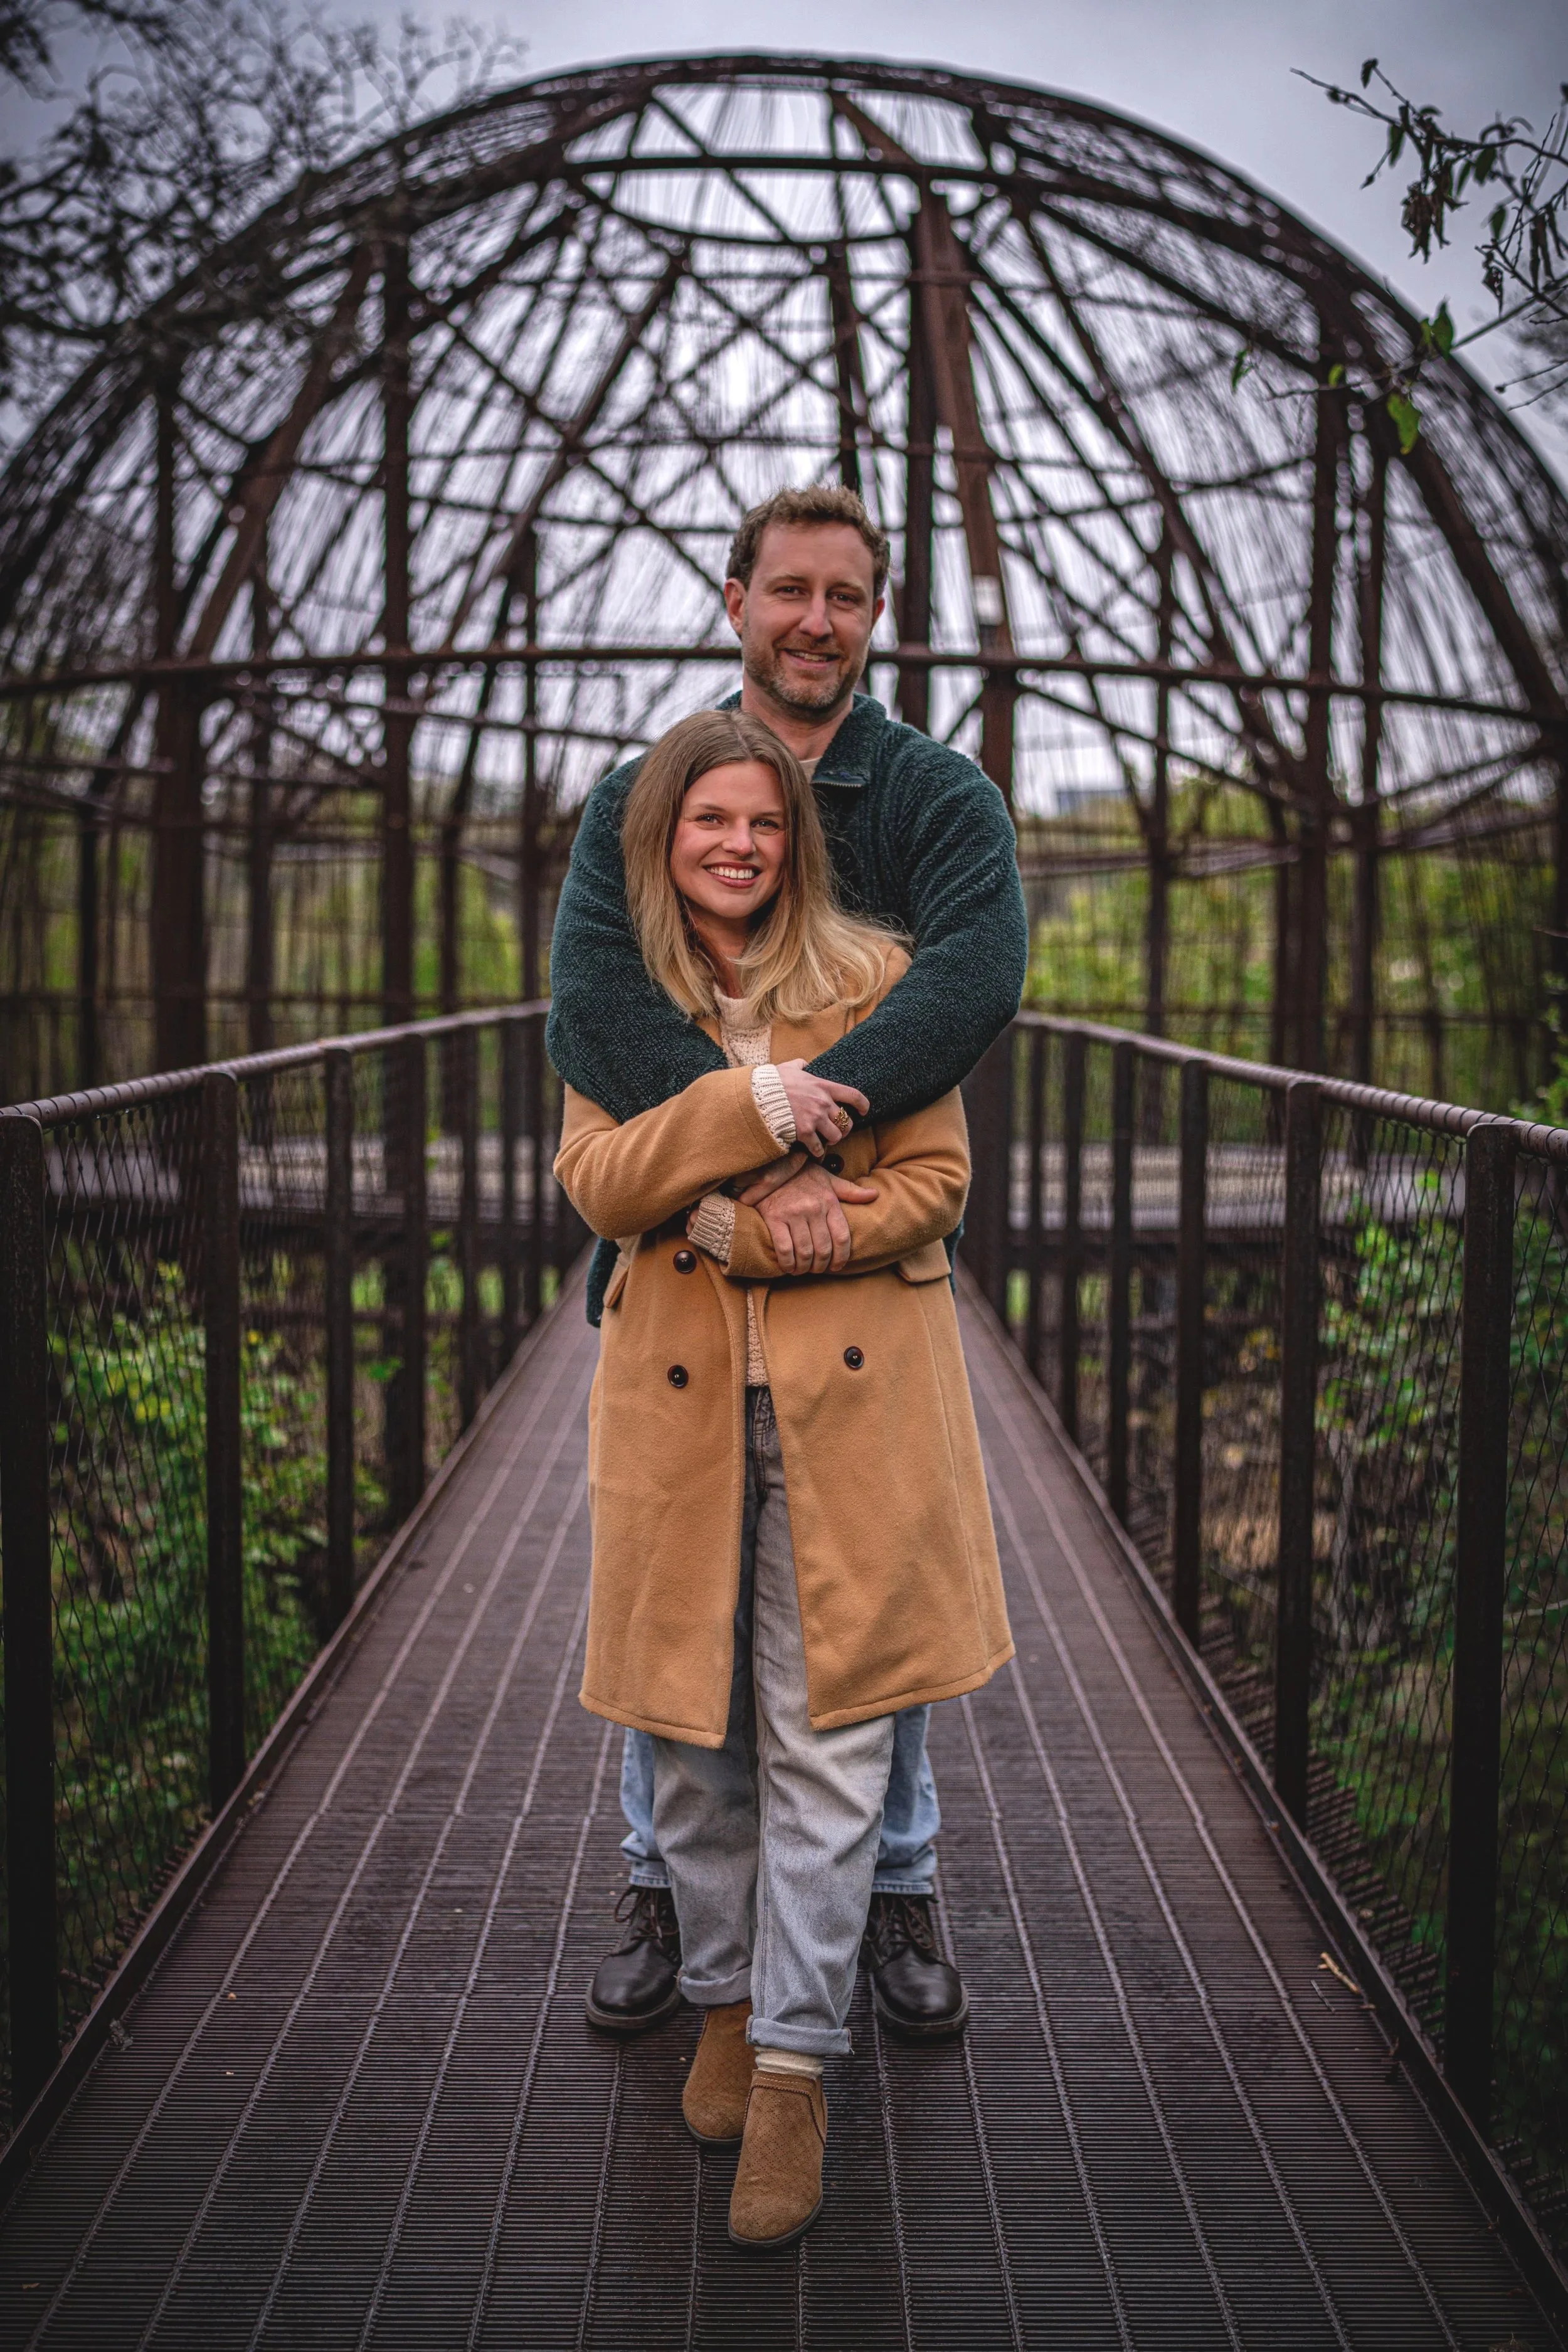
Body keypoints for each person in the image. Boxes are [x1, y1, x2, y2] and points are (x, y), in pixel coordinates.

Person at [548, 482, 1029, 2040]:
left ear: (872, 615)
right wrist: (750, 1163)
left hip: (851, 1281)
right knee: (685, 1590)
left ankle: (894, 1891)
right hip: (697, 1274)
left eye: (845, 595)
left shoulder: (934, 795)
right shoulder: (646, 789)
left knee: (863, 1589)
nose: (814, 620)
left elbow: (973, 975)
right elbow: (598, 1019)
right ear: (735, 597)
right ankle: (661, 1885)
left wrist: (817, 1134)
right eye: (787, 591)